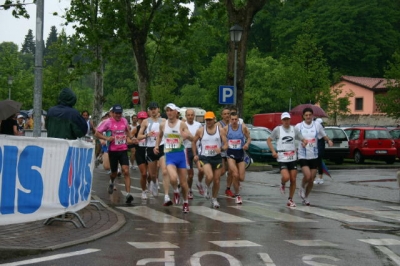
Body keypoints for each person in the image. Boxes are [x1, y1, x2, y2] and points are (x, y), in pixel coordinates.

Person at [155, 103, 193, 213]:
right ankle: (176, 191)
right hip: (169, 155)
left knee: (184, 183)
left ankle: (185, 202)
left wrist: (187, 136)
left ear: (176, 112)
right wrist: (157, 146)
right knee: (172, 177)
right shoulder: (163, 124)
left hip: (180, 155)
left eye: (171, 110)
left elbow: (192, 138)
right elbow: (160, 135)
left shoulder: (181, 124)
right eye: (167, 110)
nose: (169, 113)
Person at [95, 104, 135, 204]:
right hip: (113, 151)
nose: (118, 115)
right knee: (114, 173)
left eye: (120, 113)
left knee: (126, 171)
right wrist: (107, 138)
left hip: (123, 149)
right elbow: (97, 133)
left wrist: (131, 138)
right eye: (116, 113)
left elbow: (127, 132)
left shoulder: (124, 121)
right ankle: (112, 182)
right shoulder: (107, 122)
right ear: (113, 113)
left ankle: (128, 194)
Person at [267, 112, 307, 207]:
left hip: (292, 157)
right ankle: (282, 183)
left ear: (290, 120)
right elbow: (269, 140)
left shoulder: (294, 129)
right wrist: (273, 151)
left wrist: (304, 142)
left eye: (287, 119)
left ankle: (290, 199)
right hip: (282, 157)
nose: (286, 121)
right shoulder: (278, 129)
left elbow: (302, 139)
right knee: (286, 177)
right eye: (284, 119)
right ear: (281, 120)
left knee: (293, 179)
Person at [295, 107, 333, 206]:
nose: (308, 117)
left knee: (311, 179)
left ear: (312, 116)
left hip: (314, 155)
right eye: (306, 115)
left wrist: (328, 140)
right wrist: (300, 143)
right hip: (303, 155)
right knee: (307, 176)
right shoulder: (298, 126)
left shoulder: (317, 125)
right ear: (303, 116)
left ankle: (306, 197)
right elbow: (294, 139)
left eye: (310, 115)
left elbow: (324, 135)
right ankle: (302, 187)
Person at [193, 111, 228, 209]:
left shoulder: (220, 130)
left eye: (210, 119)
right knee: (210, 176)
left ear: (214, 119)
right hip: (205, 157)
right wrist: (195, 154)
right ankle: (206, 186)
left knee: (217, 180)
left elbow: (226, 144)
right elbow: (193, 142)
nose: (208, 121)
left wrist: (221, 149)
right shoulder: (201, 130)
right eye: (207, 120)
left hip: (216, 157)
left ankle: (214, 199)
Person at [137, 102, 166, 199]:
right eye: (151, 109)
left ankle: (168, 192)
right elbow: (138, 136)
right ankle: (154, 182)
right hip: (150, 148)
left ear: (158, 109)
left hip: (162, 147)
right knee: (153, 174)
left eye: (155, 108)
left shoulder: (164, 121)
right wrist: (147, 135)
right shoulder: (145, 122)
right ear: (149, 111)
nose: (153, 111)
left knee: (164, 169)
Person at [223, 112, 251, 204]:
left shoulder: (242, 128)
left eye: (236, 119)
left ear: (238, 120)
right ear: (230, 120)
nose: (234, 121)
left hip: (240, 153)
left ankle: (236, 182)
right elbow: (222, 138)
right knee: (235, 174)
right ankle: (238, 195)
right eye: (232, 119)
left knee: (241, 178)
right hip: (230, 154)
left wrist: (246, 144)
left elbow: (249, 138)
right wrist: (225, 145)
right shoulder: (226, 129)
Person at [184, 108, 203, 199]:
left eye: (192, 115)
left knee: (201, 169)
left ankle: (199, 183)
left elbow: (202, 137)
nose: (190, 117)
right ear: (186, 116)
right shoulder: (183, 125)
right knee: (190, 175)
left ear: (194, 116)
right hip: (187, 150)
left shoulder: (198, 125)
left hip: (197, 150)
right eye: (188, 115)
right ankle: (190, 189)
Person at [131, 111, 150, 200]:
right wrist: (133, 140)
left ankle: (149, 184)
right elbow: (129, 137)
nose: (142, 120)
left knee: (151, 174)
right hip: (140, 152)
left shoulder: (151, 128)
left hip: (150, 151)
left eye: (144, 119)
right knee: (143, 173)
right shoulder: (136, 129)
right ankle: (143, 191)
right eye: (141, 119)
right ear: (138, 120)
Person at [217, 106, 235, 198]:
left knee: (231, 171)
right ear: (222, 115)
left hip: (231, 150)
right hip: (222, 149)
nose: (227, 115)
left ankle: (228, 189)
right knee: (223, 171)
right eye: (225, 114)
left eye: (228, 113)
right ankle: (215, 181)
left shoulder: (234, 123)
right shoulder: (219, 124)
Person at [314, 118, 326, 185]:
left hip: (319, 150)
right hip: (319, 150)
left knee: (318, 164)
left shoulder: (320, 132)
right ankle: (319, 178)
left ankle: (320, 178)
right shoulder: (320, 130)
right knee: (318, 164)